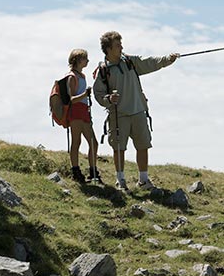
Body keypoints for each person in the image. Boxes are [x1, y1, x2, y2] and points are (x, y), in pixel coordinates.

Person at [93, 31, 178, 192]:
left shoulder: (130, 61)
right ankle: (120, 180)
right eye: (118, 45)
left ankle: (143, 180)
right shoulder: (103, 70)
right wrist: (109, 99)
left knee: (143, 145)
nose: (121, 47)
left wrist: (167, 59)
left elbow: (149, 62)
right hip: (118, 115)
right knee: (119, 148)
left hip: (138, 110)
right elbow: (98, 93)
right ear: (108, 49)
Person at [67, 49, 102, 184]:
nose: (87, 61)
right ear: (78, 60)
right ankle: (76, 171)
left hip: (83, 111)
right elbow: (71, 99)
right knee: (77, 141)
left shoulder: (81, 76)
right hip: (76, 111)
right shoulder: (71, 77)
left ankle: (92, 171)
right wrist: (85, 95)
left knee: (92, 142)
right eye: (85, 58)